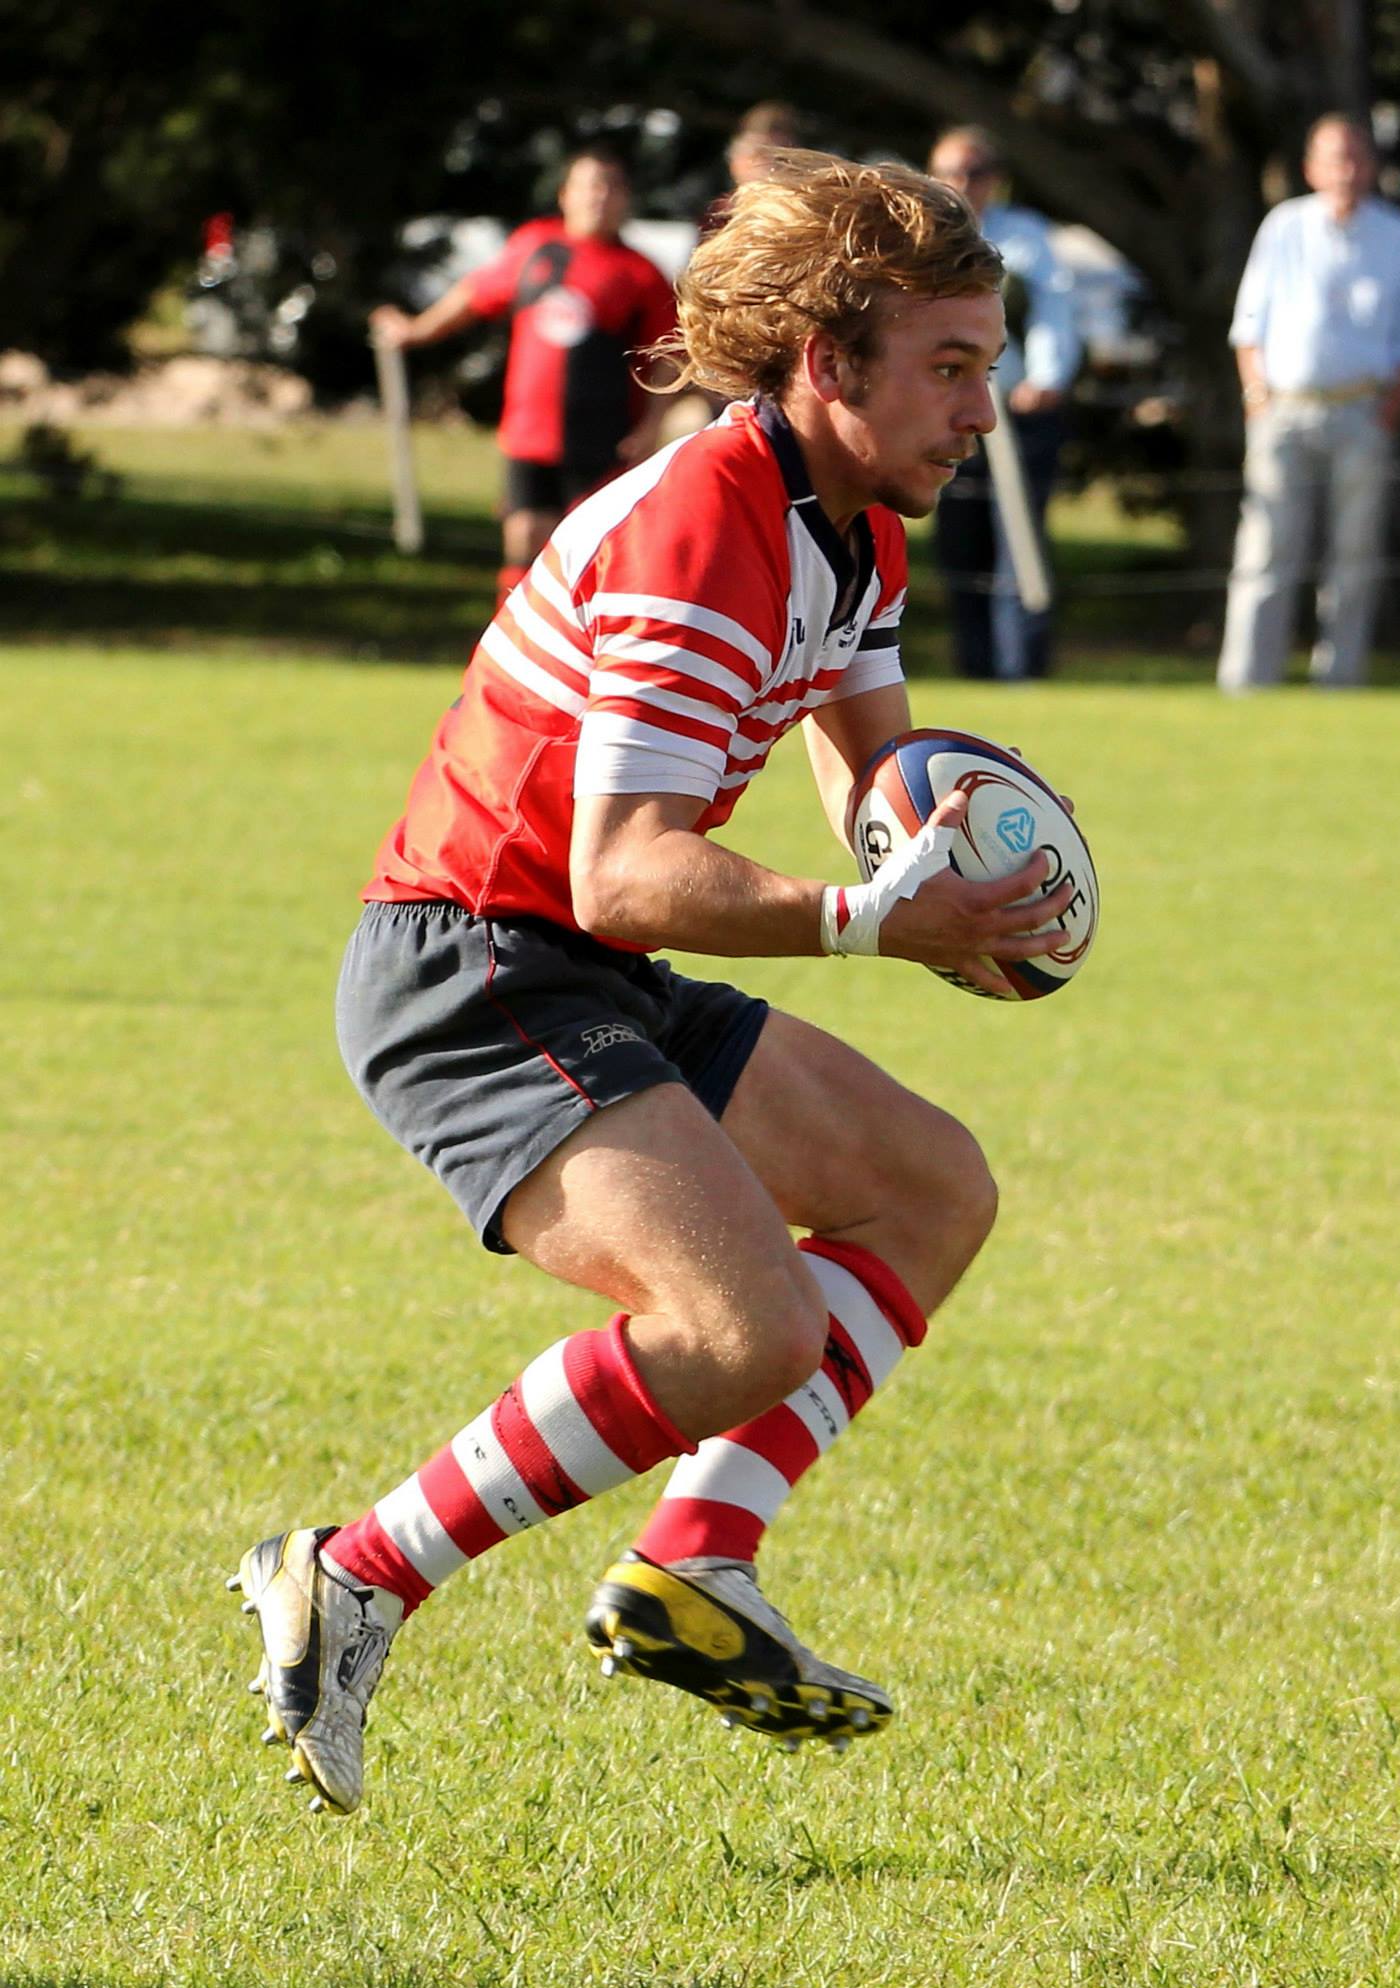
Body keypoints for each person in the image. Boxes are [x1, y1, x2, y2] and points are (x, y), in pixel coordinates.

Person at [231, 150, 1081, 1817]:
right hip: (474, 966)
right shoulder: (704, 528)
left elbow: (871, 779)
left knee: (930, 1185)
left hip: (585, 961)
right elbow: (622, 865)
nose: (981, 409)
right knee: (739, 1328)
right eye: (948, 367)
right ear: (827, 363)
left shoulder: (854, 532)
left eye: (987, 364)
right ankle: (352, 1572)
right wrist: (873, 920)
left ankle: (694, 1562)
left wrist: (956, 876)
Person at [370, 148, 678, 610]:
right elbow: (474, 293)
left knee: (590, 549)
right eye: (589, 185)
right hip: (530, 432)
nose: (599, 196)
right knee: (523, 538)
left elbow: (665, 357)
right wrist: (417, 330)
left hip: (602, 436)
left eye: (611, 186)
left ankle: (579, 639)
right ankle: (509, 633)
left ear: (626, 199)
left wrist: (652, 425)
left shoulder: (641, 274)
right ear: (565, 194)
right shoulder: (535, 246)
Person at [1217, 114, 1400, 693]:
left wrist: (1389, 410)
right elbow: (1249, 324)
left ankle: (1340, 679)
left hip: (1362, 411)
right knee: (1266, 547)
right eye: (1334, 159)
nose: (1346, 171)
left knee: (1355, 553)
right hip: (1283, 410)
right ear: (1311, 168)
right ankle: (1247, 681)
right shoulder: (1284, 227)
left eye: (1356, 159)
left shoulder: (1399, 236)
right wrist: (1257, 399)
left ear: (1372, 167)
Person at [927, 126, 1080, 681]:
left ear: (995, 179)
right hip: (946, 412)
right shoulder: (920, 239)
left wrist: (1046, 379)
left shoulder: (1026, 238)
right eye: (951, 172)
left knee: (1019, 541)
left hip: (1016, 411)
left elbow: (1054, 313)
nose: (963, 184)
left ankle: (1021, 668)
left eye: (975, 173)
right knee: (960, 542)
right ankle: (974, 666)